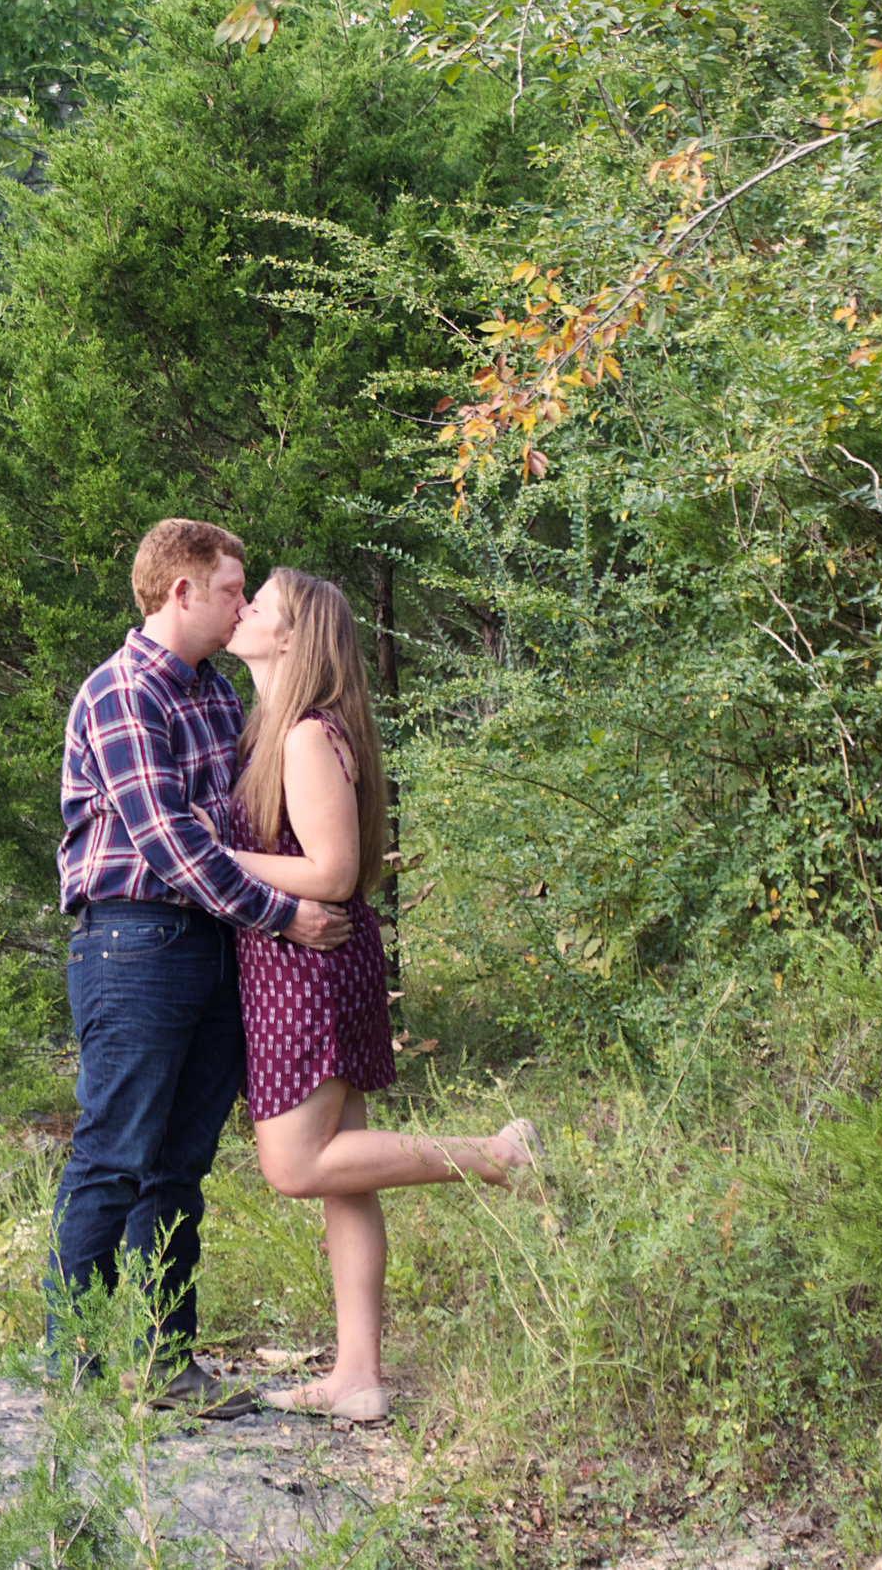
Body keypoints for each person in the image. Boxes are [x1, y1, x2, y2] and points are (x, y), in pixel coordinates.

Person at [203, 566, 540, 1425]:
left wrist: (212, 861)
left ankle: (495, 1156)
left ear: (291, 636)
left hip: (307, 968)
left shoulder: (308, 737)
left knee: (295, 1164)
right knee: (344, 1175)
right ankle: (358, 1374)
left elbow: (335, 872)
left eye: (261, 604)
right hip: (302, 965)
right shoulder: (276, 727)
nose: (243, 611)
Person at [51, 519, 352, 1418]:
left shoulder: (219, 696)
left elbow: (240, 826)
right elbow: (174, 844)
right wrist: (289, 914)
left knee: (178, 1167)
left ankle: (165, 1361)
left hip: (216, 948)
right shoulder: (120, 694)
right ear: (180, 592)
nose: (241, 603)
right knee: (113, 1155)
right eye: (231, 588)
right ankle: (79, 1367)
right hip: (135, 943)